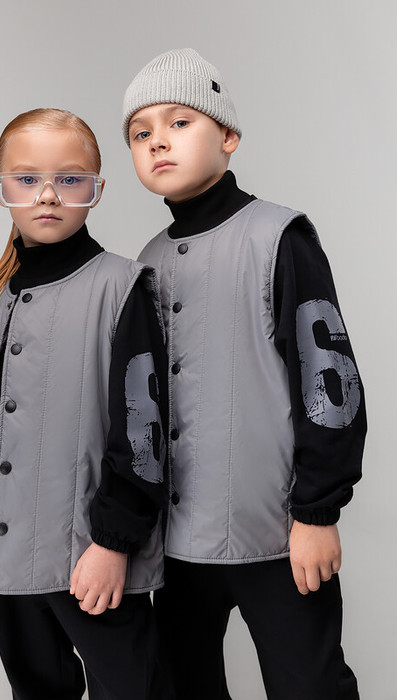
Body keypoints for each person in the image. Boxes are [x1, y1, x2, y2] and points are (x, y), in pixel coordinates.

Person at [122, 48, 367, 700]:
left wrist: (317, 512)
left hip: (277, 536)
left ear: (228, 137)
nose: (158, 141)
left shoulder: (279, 236)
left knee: (308, 686)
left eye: (179, 122)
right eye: (140, 133)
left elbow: (330, 380)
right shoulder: (146, 263)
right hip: (176, 546)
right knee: (184, 686)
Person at [0, 107, 173, 700]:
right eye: (26, 179)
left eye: (69, 179)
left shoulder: (121, 286)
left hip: (89, 560)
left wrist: (113, 543)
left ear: (96, 190)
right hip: (6, 555)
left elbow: (143, 431)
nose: (47, 195)